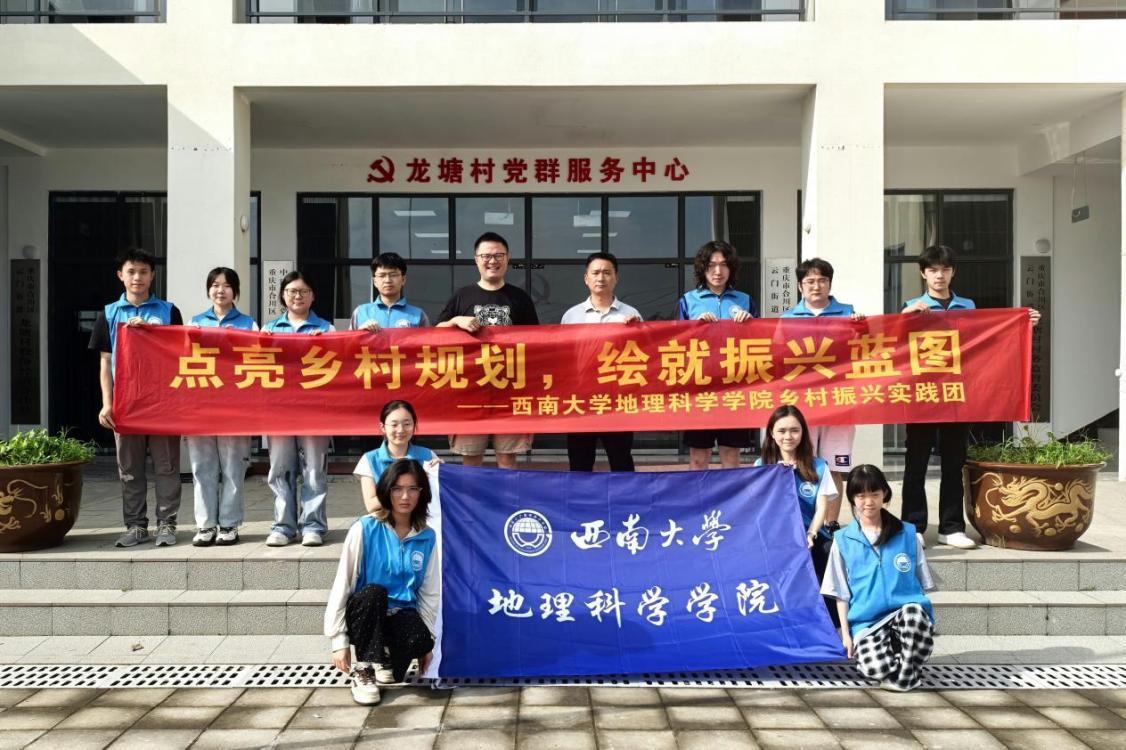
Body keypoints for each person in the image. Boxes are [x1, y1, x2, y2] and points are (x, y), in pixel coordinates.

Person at [901, 244, 1040, 550]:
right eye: (933, 270)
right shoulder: (911, 306)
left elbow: (988, 340)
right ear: (923, 274)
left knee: (954, 462)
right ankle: (912, 527)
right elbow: (894, 344)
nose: (939, 275)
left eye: (945, 269)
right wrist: (905, 317)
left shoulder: (968, 306)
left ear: (953, 272)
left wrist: (1023, 323)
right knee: (916, 464)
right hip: (922, 397)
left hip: (957, 396)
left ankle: (951, 527)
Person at [89, 248, 184, 548]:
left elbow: (181, 354)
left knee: (167, 466)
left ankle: (167, 523)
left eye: (143, 272)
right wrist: (108, 403)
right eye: (131, 272)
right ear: (121, 275)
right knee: (129, 469)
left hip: (162, 403)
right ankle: (136, 526)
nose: (137, 278)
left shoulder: (169, 311)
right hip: (126, 404)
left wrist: (155, 333)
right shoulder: (108, 313)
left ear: (152, 275)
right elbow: (105, 362)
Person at [326, 459, 438, 706]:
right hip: (365, 611)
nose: (405, 496)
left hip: (400, 614)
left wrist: (426, 644)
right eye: (397, 488)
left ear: (422, 493)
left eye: (413, 489)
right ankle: (364, 668)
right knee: (374, 593)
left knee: (420, 639)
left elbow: (429, 592)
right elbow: (342, 584)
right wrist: (338, 641)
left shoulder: (427, 535)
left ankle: (385, 659)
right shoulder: (365, 528)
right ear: (386, 490)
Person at [821, 464, 936, 692]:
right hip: (867, 622)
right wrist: (846, 635)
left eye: (874, 494)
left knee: (914, 615)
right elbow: (840, 593)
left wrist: (920, 623)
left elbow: (922, 585)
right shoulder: (842, 540)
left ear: (885, 493)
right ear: (852, 499)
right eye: (861, 496)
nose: (868, 502)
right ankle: (903, 661)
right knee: (876, 669)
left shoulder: (908, 533)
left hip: (904, 614)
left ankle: (905, 676)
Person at [436, 231, 539, 469]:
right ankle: (473, 496)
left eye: (498, 255)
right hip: (470, 392)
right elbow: (435, 333)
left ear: (507, 258)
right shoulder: (462, 295)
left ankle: (508, 495)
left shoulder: (520, 298)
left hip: (509, 391)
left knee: (507, 457)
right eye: (486, 256)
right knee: (471, 458)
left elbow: (536, 341)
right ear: (476, 259)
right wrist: (456, 321)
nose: (492, 260)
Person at [262, 271, 334, 547]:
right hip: (279, 411)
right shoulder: (268, 329)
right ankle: (283, 526)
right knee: (280, 469)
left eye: (303, 291)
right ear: (282, 295)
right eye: (292, 291)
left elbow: (339, 367)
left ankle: (313, 526)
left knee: (314, 469)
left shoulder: (326, 329)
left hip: (315, 412)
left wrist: (325, 345)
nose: (297, 296)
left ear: (313, 296)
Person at [781, 257, 865, 498]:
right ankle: (805, 518)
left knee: (834, 467)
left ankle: (831, 520)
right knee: (800, 462)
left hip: (839, 401)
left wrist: (862, 328)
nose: (816, 286)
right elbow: (776, 357)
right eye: (810, 281)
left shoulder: (848, 314)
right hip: (802, 401)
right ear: (800, 286)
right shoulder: (788, 318)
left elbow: (867, 351)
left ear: (830, 284)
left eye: (822, 280)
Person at [188, 267, 257, 546]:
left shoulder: (249, 324)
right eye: (215, 285)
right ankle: (205, 525)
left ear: (235, 291)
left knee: (233, 469)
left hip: (234, 409)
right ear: (208, 290)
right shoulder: (195, 323)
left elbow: (257, 360)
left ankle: (229, 524)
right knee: (202, 469)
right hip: (201, 407)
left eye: (227, 285)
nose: (220, 290)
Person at [754, 405, 841, 625]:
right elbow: (760, 508)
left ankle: (832, 626)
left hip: (810, 534)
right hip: (775, 538)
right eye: (782, 431)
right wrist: (777, 476)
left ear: (803, 433)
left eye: (794, 430)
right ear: (771, 433)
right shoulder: (762, 466)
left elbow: (821, 508)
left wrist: (811, 534)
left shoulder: (819, 466)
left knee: (828, 552)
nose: (788, 436)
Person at [677, 240, 757, 469]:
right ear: (703, 268)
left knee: (731, 455)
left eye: (723, 265)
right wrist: (694, 327)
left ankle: (730, 495)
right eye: (711, 265)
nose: (718, 271)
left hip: (734, 388)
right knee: (698, 456)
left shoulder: (744, 300)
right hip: (700, 388)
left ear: (731, 268)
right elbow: (675, 343)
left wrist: (751, 324)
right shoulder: (688, 301)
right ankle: (697, 494)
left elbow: (759, 343)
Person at [560, 252, 642, 472]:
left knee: (621, 461)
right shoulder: (571, 316)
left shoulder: (631, 314)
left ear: (616, 278)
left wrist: (637, 331)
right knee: (580, 462)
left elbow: (645, 356)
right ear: (586, 278)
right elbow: (563, 359)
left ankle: (626, 496)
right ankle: (581, 496)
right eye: (595, 273)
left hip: (618, 401)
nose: (601, 278)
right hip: (581, 401)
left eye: (607, 273)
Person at [354, 400, 441, 514]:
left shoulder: (428, 455)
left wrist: (443, 473)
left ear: (414, 425)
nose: (401, 430)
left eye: (407, 424)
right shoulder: (369, 460)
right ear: (383, 427)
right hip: (385, 521)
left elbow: (439, 496)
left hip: (422, 520)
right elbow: (371, 506)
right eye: (394, 425)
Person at [350, 252, 430, 332]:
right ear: (375, 282)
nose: (388, 280)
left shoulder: (418, 315)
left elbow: (428, 339)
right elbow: (348, 339)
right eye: (382, 276)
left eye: (393, 275)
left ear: (403, 279)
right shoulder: (361, 312)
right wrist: (360, 332)